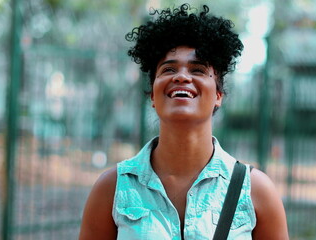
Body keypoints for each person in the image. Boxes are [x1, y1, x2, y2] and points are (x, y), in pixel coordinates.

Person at [79, 3, 288, 240]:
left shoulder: (254, 190)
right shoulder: (112, 188)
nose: (181, 76)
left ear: (218, 95)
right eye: (168, 69)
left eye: (197, 70)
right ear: (152, 96)